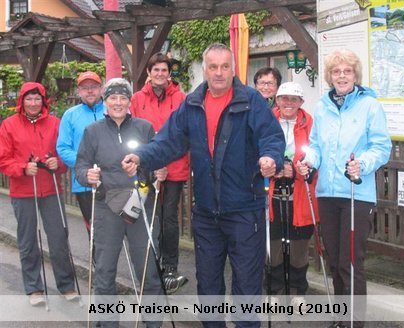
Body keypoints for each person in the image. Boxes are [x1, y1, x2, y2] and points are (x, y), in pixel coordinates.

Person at [122, 43, 285, 328]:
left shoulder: (251, 100)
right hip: (207, 213)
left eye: (225, 66)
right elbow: (169, 140)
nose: (219, 73)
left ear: (233, 69)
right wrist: (142, 156)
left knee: (247, 286)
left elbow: (271, 136)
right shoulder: (193, 103)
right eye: (213, 67)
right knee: (208, 286)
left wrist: (271, 157)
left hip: (245, 210)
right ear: (204, 70)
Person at [296, 49, 392, 328]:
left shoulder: (370, 105)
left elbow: (382, 147)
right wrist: (308, 161)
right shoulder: (322, 107)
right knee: (335, 261)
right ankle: (341, 317)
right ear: (330, 76)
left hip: (356, 193)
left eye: (347, 71)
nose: (341, 76)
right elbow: (315, 146)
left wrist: (362, 163)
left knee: (351, 261)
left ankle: (354, 321)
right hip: (327, 192)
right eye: (336, 71)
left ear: (355, 75)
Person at [75, 78, 166, 328]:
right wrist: (87, 175)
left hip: (141, 204)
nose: (117, 102)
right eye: (112, 98)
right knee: (104, 271)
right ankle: (108, 322)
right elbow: (81, 165)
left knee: (147, 270)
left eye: (122, 98)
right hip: (106, 206)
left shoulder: (145, 127)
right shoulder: (92, 131)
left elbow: (157, 158)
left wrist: (159, 171)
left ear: (129, 101)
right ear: (105, 102)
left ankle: (153, 323)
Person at [0, 82, 78, 306]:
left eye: (37, 99)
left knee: (58, 239)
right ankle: (34, 288)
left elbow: (65, 150)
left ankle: (67, 285)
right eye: (29, 99)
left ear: (44, 101)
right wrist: (22, 168)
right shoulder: (9, 125)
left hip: (51, 189)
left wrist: (59, 163)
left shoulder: (55, 123)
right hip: (23, 191)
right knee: (28, 242)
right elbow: (3, 159)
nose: (33, 103)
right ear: (22, 101)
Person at [130, 52, 189, 293]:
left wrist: (166, 160)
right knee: (147, 217)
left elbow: (184, 133)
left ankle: (171, 267)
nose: (160, 74)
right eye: (156, 70)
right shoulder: (137, 99)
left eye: (164, 70)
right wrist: (152, 163)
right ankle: (150, 265)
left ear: (169, 73)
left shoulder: (181, 97)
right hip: (147, 167)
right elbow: (134, 133)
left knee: (169, 219)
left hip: (174, 167)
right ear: (149, 73)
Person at [265, 82, 318, 309]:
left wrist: (301, 168)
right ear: (276, 100)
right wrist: (274, 167)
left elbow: (316, 154)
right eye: (283, 98)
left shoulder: (310, 124)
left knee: (298, 245)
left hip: (300, 193)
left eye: (293, 99)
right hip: (272, 191)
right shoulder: (266, 121)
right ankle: (274, 290)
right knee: (274, 244)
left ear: (301, 103)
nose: (288, 103)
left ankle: (297, 290)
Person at [57, 71, 105, 238]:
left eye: (93, 87)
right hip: (84, 183)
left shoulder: (112, 110)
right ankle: (99, 264)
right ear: (79, 91)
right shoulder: (70, 115)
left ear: (101, 88)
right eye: (85, 88)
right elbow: (63, 148)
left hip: (114, 180)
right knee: (94, 230)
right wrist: (85, 166)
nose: (90, 91)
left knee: (118, 228)